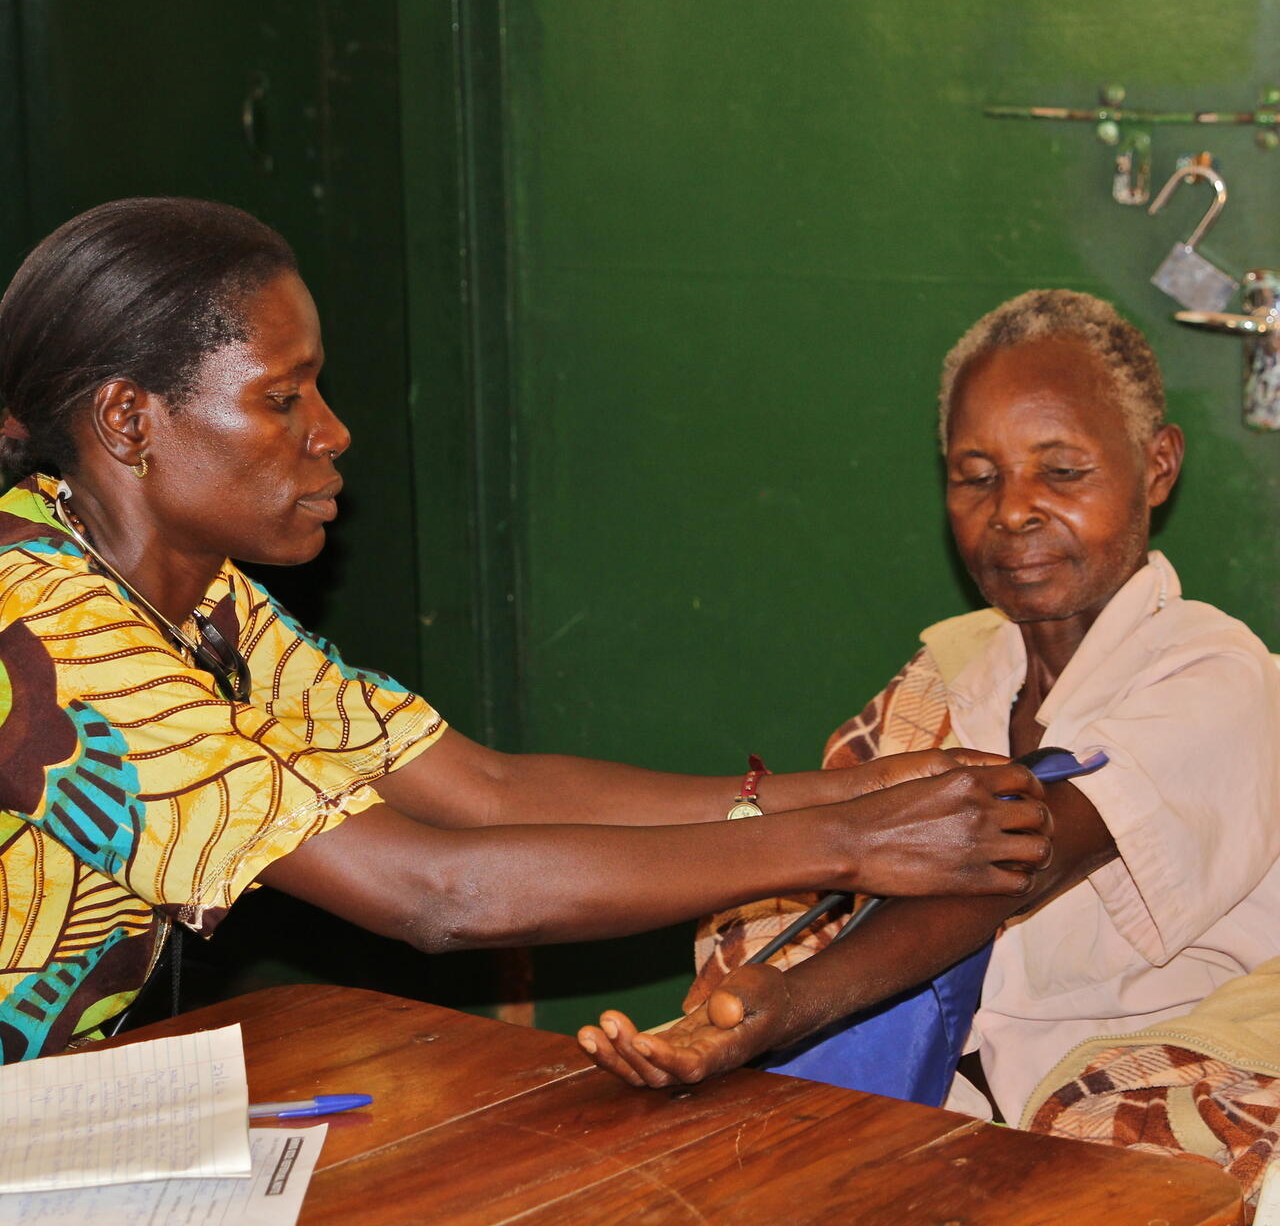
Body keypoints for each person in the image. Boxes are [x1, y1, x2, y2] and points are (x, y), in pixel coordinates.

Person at [0, 197, 1053, 1063]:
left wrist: (837, 791)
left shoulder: (196, 596)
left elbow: (479, 789)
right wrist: (852, 844)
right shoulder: (48, 626)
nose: (332, 431)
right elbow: (431, 890)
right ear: (130, 421)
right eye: (284, 398)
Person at [577, 289, 1280, 1128]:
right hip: (948, 1092)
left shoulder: (1223, 677)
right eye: (976, 477)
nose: (1012, 509)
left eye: (1061, 472)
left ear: (1157, 465)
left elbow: (1012, 853)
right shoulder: (947, 678)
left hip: (1137, 1094)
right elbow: (817, 858)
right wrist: (731, 1014)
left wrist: (794, 1006)